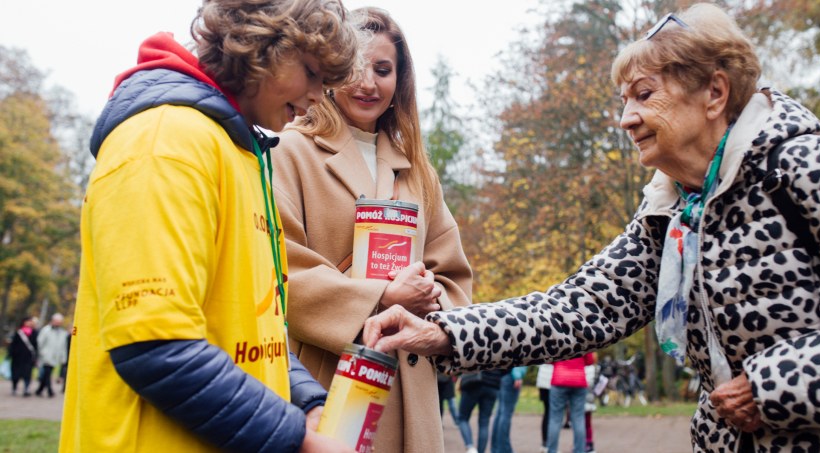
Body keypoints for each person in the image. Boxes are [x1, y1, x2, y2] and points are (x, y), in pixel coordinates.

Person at [363, 3, 820, 451]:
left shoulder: (803, 166)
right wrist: (441, 332)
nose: (625, 119)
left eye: (645, 95)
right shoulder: (671, 210)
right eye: (624, 99)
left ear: (714, 93)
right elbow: (577, 308)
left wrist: (774, 385)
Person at [59, 1, 360, 452]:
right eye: (313, 73)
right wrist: (299, 441)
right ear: (263, 44)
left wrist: (307, 402)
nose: (321, 95)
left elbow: (258, 325)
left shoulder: (237, 150)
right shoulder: (164, 141)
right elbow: (156, 346)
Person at [270, 7, 472, 452]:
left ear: (400, 82)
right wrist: (380, 295)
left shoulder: (418, 171)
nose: (368, 83)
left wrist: (426, 296)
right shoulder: (290, 151)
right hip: (330, 375)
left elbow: (453, 276)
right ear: (331, 69)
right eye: (356, 68)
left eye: (382, 70)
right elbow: (278, 270)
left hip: (411, 382)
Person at [547, 353, 594, 453]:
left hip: (559, 378)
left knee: (555, 419)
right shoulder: (584, 338)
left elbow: (549, 358)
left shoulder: (557, 337)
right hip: (579, 379)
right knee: (578, 419)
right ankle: (580, 450)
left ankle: (552, 450)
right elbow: (590, 360)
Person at [457, 370, 503, 453]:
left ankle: (470, 447)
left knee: (462, 418)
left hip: (473, 382)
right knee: (484, 423)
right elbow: (507, 367)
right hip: (493, 385)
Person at [490, 366, 527, 453]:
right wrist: (517, 375)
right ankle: (504, 450)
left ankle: (495, 449)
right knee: (505, 414)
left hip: (501, 375)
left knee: (500, 413)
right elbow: (518, 354)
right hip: (511, 376)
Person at [34, 313, 68, 398]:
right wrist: (43, 353)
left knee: (47, 373)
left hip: (55, 357)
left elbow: (63, 346)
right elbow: (40, 342)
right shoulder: (46, 330)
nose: (58, 323)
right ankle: (50, 391)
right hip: (46, 356)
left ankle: (40, 389)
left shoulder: (62, 333)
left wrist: (63, 357)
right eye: (57, 321)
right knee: (47, 373)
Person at [8, 317, 37, 397]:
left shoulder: (34, 333)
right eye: (27, 321)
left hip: (28, 358)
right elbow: (13, 345)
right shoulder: (18, 332)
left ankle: (26, 389)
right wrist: (11, 354)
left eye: (30, 321)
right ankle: (14, 387)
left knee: (27, 374)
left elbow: (35, 346)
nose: (29, 323)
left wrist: (35, 357)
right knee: (16, 374)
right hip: (18, 358)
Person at [535, 363, 553, 453]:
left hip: (542, 379)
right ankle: (549, 444)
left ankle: (545, 443)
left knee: (547, 412)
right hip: (552, 380)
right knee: (552, 414)